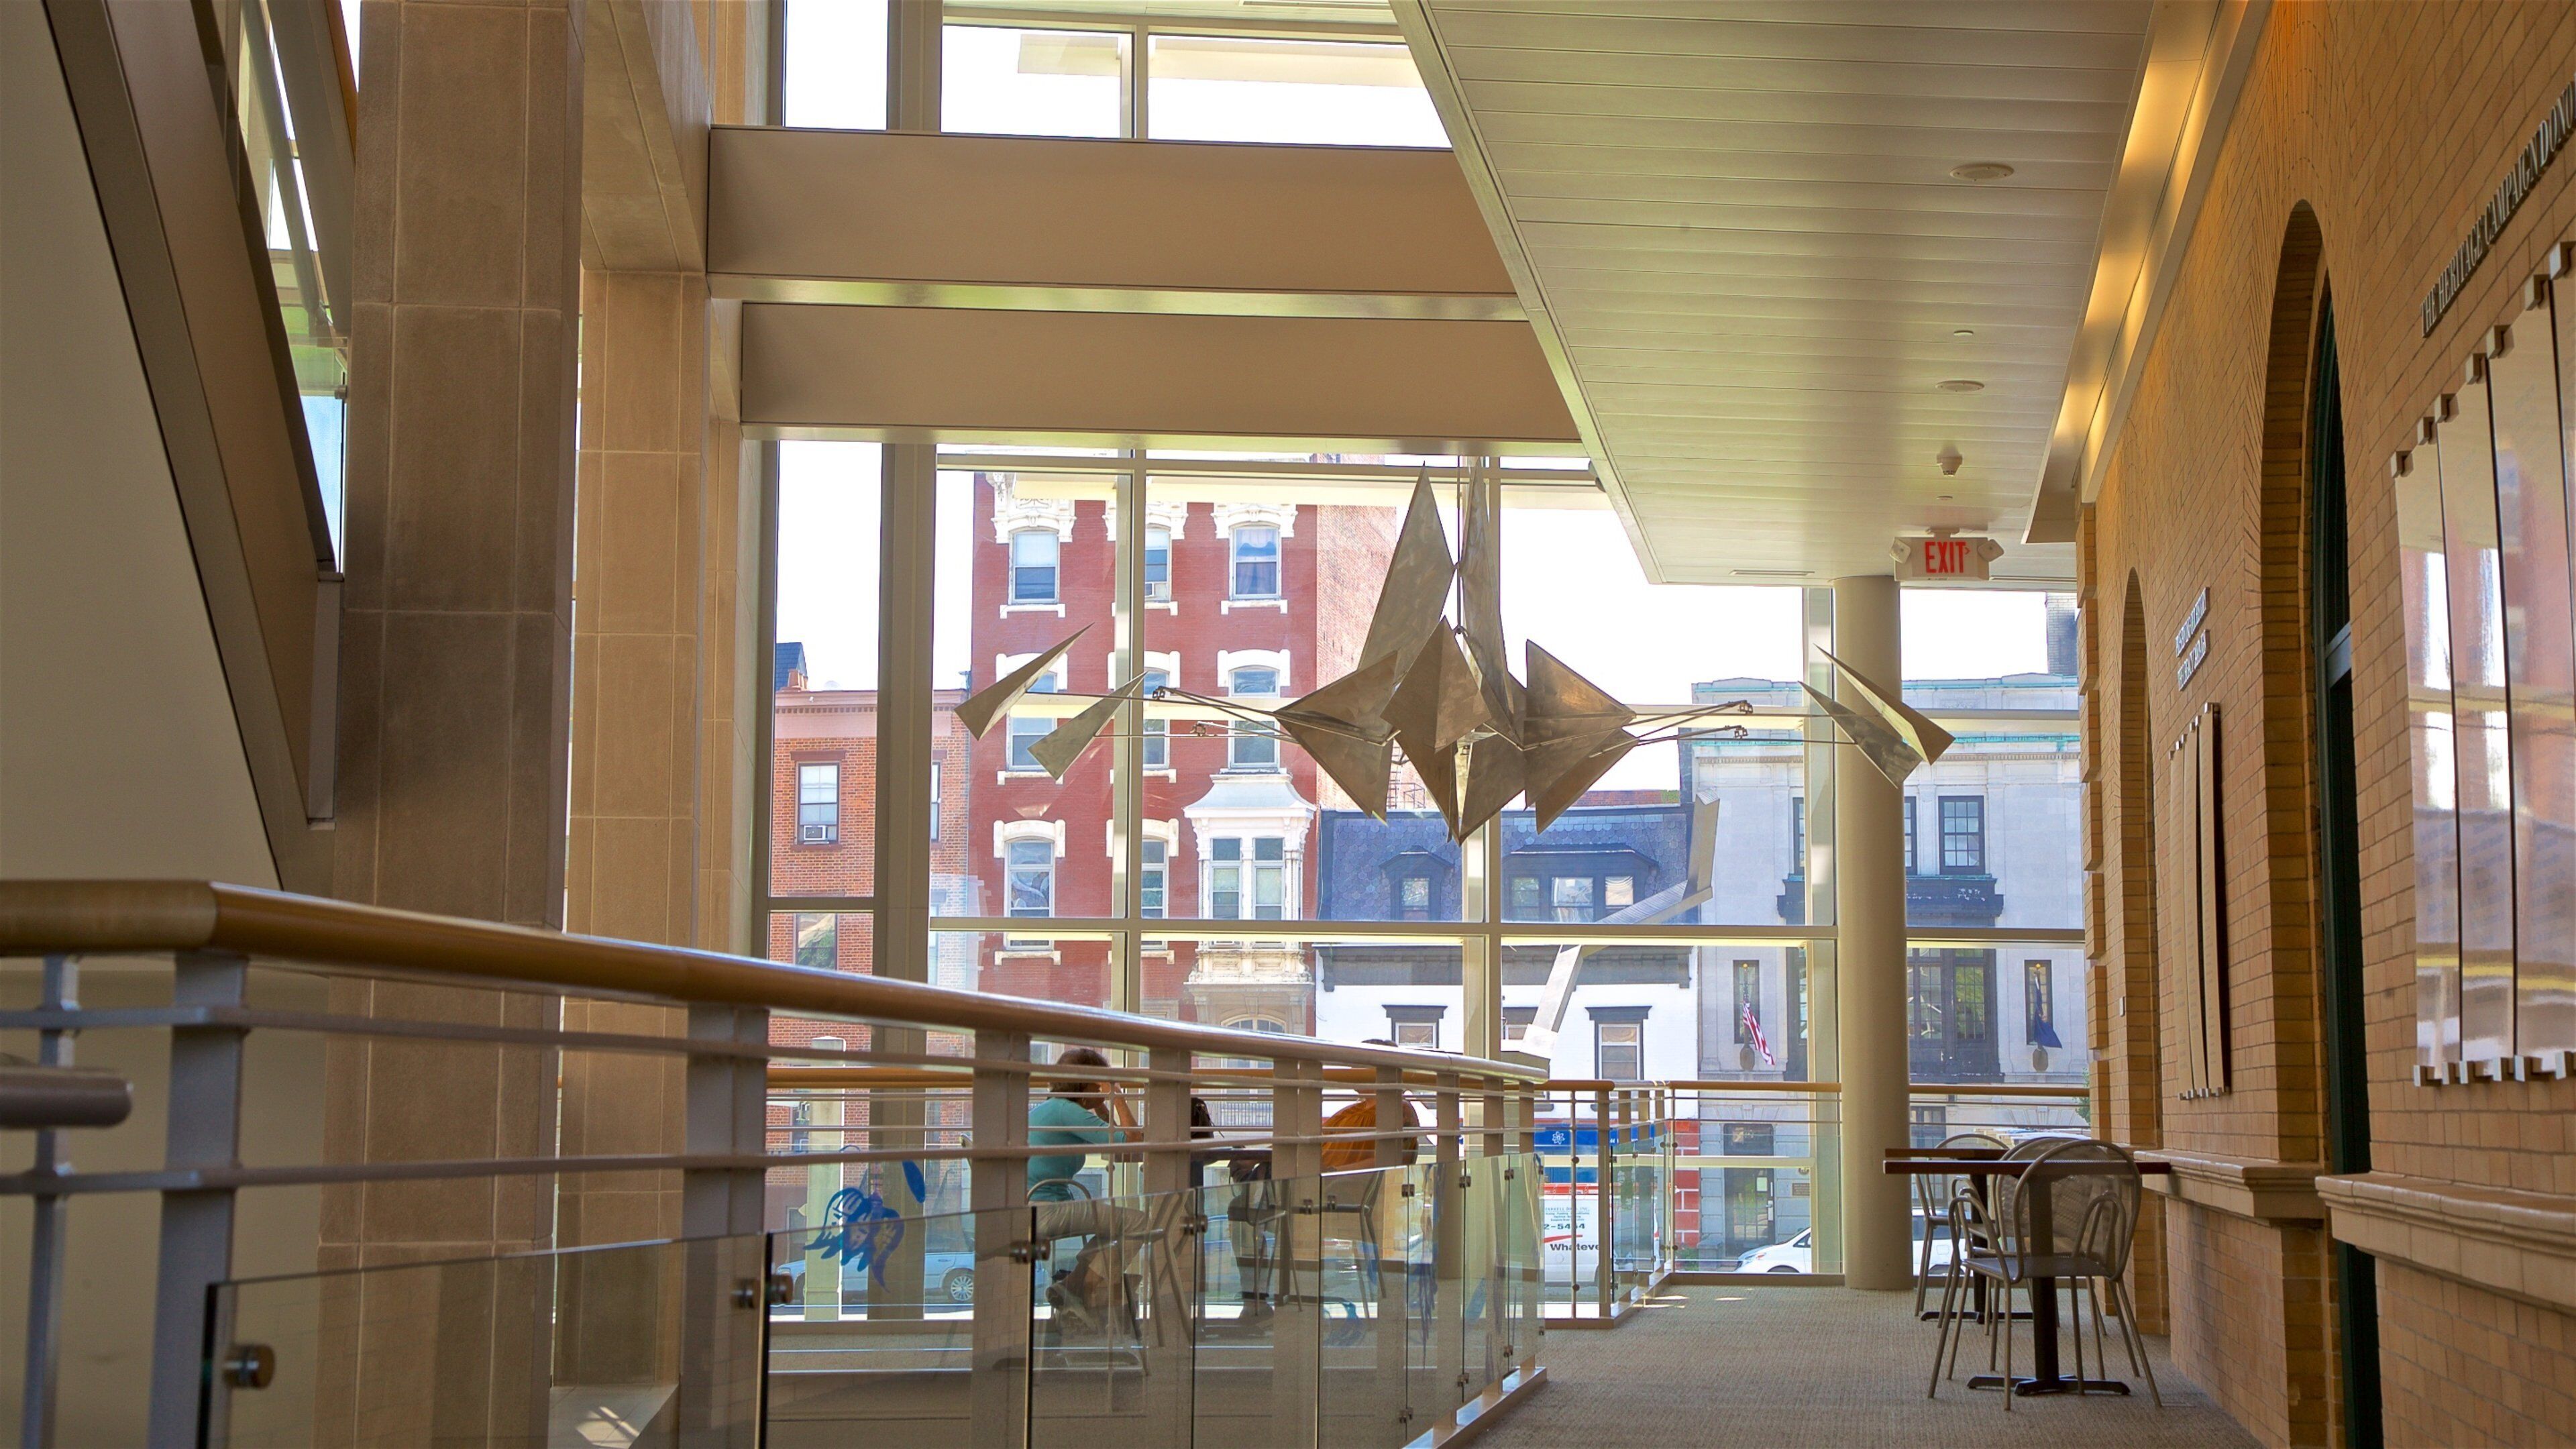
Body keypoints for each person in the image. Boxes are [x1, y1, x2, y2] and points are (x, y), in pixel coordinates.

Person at [1027, 1047, 1145, 1333]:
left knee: (1113, 1225)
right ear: (1086, 1081)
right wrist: (1117, 1096)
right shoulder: (1067, 1111)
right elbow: (1134, 1142)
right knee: (1139, 1223)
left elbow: (1117, 1145)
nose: (1104, 1088)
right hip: (1045, 1211)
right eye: (1100, 1082)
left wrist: (1101, 1104)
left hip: (1035, 1207)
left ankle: (1073, 1284)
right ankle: (1082, 1289)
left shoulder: (1056, 1107)